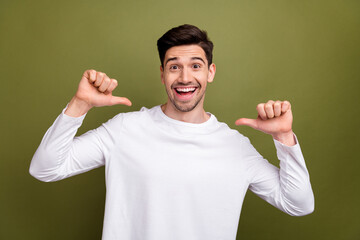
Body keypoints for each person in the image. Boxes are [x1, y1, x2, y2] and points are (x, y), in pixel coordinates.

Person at [29, 24, 314, 240]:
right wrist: (80, 105)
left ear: (210, 72)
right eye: (174, 66)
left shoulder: (235, 147)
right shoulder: (125, 129)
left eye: (195, 66)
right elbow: (45, 168)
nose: (185, 77)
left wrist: (284, 138)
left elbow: (299, 204)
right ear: (163, 74)